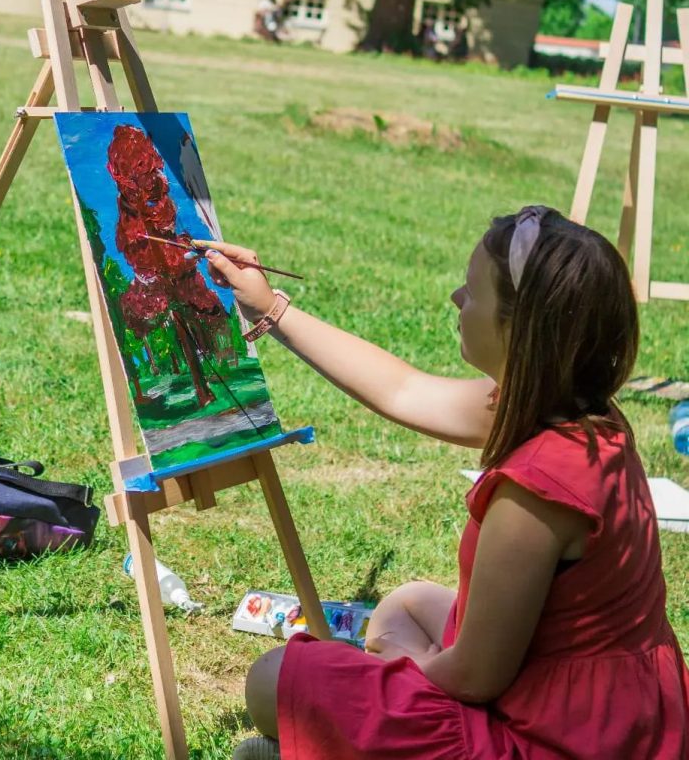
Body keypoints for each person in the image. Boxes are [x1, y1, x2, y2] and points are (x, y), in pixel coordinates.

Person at [202, 206, 689, 760]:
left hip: (557, 740)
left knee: (273, 679)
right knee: (407, 605)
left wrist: (387, 689)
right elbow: (403, 391)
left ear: (519, 329)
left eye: (474, 292)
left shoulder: (536, 493)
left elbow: (476, 676)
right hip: (612, 707)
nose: (459, 298)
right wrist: (269, 307)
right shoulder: (577, 414)